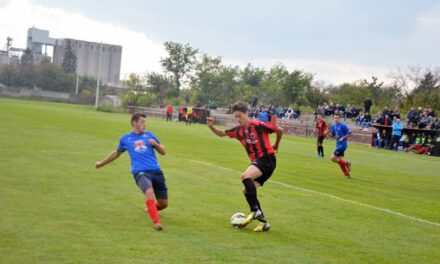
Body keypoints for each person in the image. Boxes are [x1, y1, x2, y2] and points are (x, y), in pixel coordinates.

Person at [206, 101, 283, 232]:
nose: (237, 119)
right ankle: (264, 222)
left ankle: (254, 211)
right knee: (246, 190)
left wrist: (276, 145)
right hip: (259, 162)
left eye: (240, 116)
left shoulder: (257, 125)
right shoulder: (238, 131)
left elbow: (279, 130)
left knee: (245, 176)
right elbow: (221, 133)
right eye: (235, 116)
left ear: (246, 113)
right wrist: (211, 127)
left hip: (267, 159)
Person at [95, 112, 168, 231]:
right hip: (140, 172)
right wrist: (101, 163)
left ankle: (151, 208)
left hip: (156, 171)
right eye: (142, 122)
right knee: (149, 192)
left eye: (145, 122)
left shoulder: (150, 135)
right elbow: (117, 153)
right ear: (134, 123)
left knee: (163, 204)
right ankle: (156, 223)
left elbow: (163, 152)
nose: (145, 124)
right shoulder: (125, 139)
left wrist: (156, 145)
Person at [330, 113, 352, 178]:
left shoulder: (343, 125)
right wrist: (328, 135)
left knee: (333, 158)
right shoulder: (333, 126)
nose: (336, 119)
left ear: (340, 118)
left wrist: (343, 138)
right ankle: (346, 174)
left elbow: (350, 133)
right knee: (339, 160)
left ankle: (347, 163)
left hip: (342, 145)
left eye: (337, 118)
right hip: (338, 144)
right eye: (335, 117)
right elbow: (333, 135)